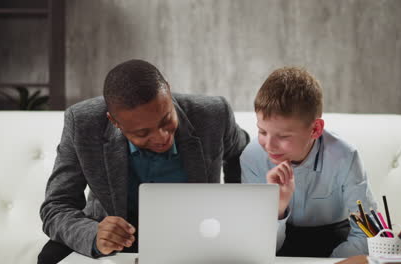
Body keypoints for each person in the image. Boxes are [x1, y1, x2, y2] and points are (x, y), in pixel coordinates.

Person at [38, 59, 249, 263]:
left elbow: (244, 155)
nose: (161, 137)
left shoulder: (213, 113)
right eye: (142, 133)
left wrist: (229, 210)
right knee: (50, 256)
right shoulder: (83, 122)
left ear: (167, 89)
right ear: (115, 122)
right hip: (119, 239)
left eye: (166, 120)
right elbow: (56, 206)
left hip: (194, 234)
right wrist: (94, 234)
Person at [240, 67, 377, 258]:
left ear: (315, 129)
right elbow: (257, 243)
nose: (269, 145)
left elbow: (367, 232)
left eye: (283, 136)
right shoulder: (252, 157)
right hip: (278, 241)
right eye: (262, 132)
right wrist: (277, 208)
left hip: (335, 242)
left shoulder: (345, 157)